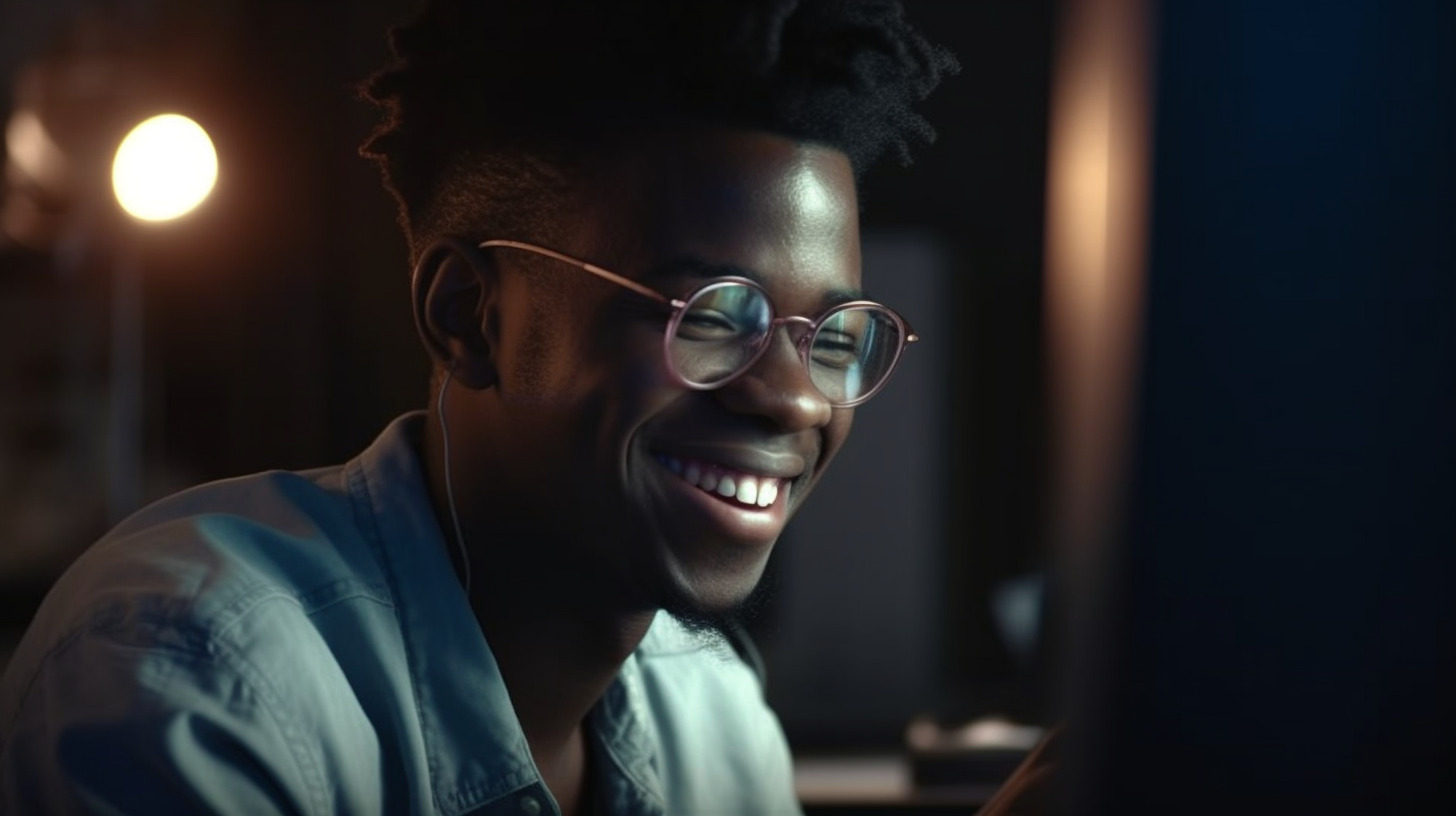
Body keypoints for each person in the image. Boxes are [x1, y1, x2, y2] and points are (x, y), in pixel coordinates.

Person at [0, 1, 959, 813]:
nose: (796, 398)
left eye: (833, 335)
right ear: (470, 318)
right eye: (712, 317)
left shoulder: (713, 714)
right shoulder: (191, 674)